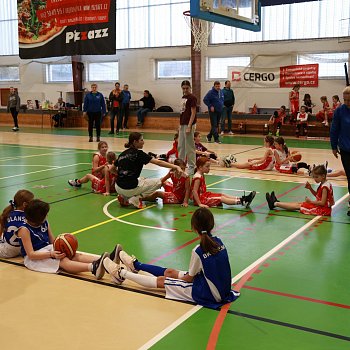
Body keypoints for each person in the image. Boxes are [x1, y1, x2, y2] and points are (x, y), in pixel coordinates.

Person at [103, 208, 241, 309]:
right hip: (221, 288)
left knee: (164, 280)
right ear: (212, 224)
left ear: (193, 227)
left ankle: (120, 273)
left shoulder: (198, 251)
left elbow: (189, 279)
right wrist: (176, 275)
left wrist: (177, 278)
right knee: (170, 272)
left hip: (208, 294)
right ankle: (136, 265)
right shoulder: (219, 241)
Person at [16, 199, 110, 276]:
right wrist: (51, 254)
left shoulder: (44, 222)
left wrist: (62, 242)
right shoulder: (24, 230)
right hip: (34, 258)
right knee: (63, 261)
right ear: (38, 217)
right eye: (45, 214)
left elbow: (52, 241)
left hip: (48, 249)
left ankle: (105, 261)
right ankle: (94, 268)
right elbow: (31, 254)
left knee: (72, 254)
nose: (47, 215)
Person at [113, 132, 184, 209]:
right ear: (135, 142)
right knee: (159, 182)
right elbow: (158, 162)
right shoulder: (139, 154)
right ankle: (136, 199)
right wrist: (176, 166)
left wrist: (123, 176)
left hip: (118, 187)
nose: (143, 142)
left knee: (142, 179)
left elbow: (111, 169)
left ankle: (124, 197)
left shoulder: (122, 154)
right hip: (130, 188)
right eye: (141, 140)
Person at [266, 164, 334, 216]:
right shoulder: (324, 183)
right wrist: (310, 188)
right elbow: (318, 196)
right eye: (314, 177)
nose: (315, 179)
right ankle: (276, 202)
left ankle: (274, 204)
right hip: (322, 208)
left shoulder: (325, 187)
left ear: (323, 176)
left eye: (316, 177)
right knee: (299, 203)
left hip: (322, 210)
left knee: (299, 205)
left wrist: (310, 201)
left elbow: (322, 202)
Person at [191, 156, 256, 208]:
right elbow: (194, 191)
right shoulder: (198, 177)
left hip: (204, 196)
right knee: (221, 198)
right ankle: (242, 202)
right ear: (200, 167)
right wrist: (199, 204)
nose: (209, 168)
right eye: (207, 166)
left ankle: (243, 199)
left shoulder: (201, 174)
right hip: (201, 200)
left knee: (222, 195)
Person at [330, 86, 350, 216]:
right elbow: (334, 129)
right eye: (345, 100)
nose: (347, 103)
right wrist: (333, 145)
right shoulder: (339, 111)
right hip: (345, 149)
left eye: (349, 100)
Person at [0, 190, 34, 258]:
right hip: (24, 249)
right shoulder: (30, 216)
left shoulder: (7, 214)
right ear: (24, 204)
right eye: (32, 202)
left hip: (8, 252)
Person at [178, 80, 197, 175]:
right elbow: (182, 111)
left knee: (189, 146)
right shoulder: (183, 97)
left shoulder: (192, 98)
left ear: (190, 87)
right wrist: (180, 125)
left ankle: (192, 166)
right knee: (181, 146)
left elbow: (193, 112)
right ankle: (180, 165)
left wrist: (189, 126)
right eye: (183, 88)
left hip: (189, 124)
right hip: (182, 123)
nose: (185, 90)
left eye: (187, 88)